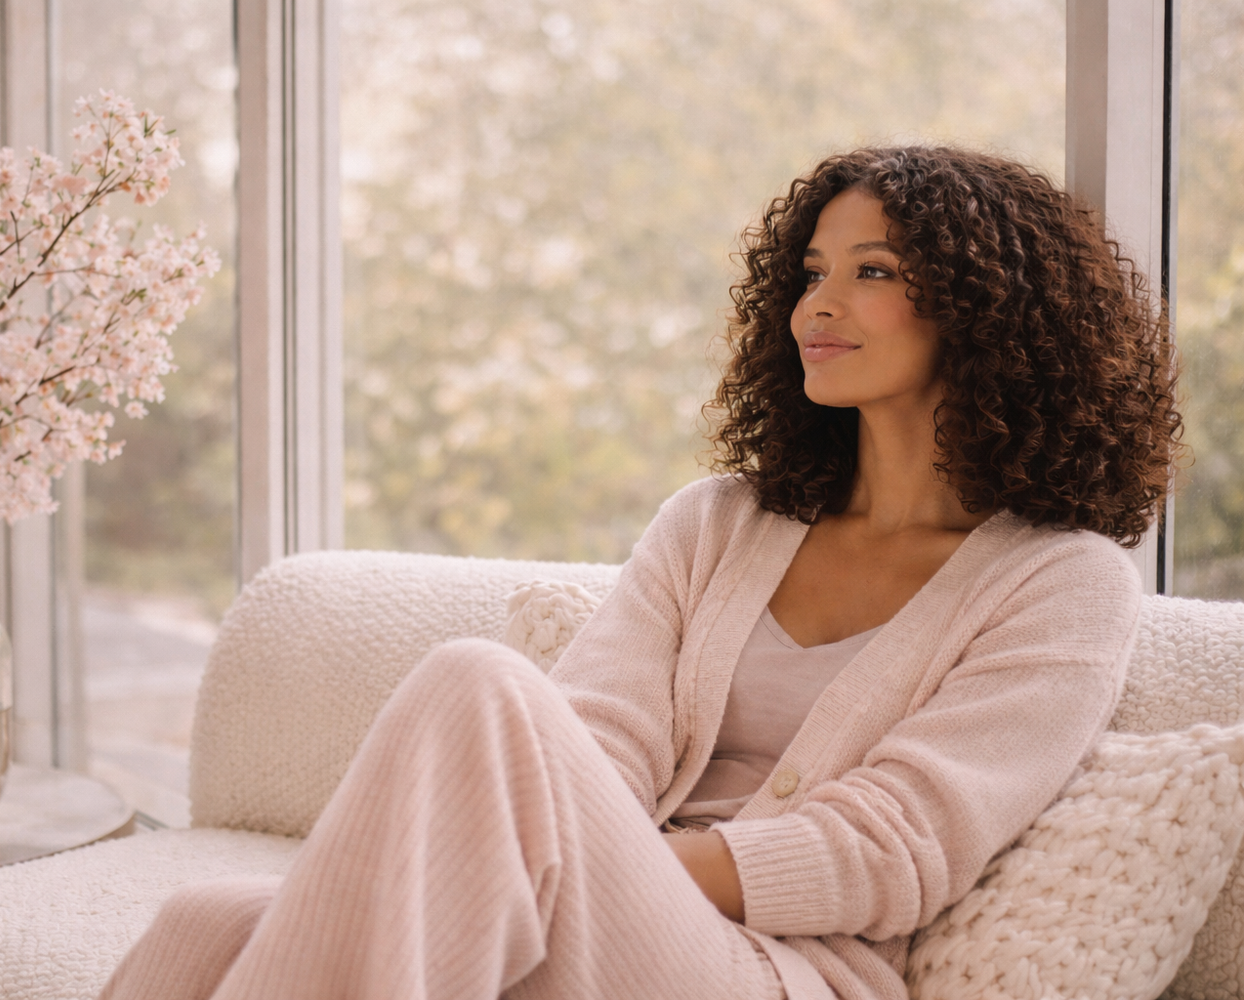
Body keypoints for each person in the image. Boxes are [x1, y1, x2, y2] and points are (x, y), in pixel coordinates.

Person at [100, 146, 1181, 1000]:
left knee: (480, 683)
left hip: (781, 969)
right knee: (205, 919)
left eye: (874, 273)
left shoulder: (1062, 583)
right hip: (611, 921)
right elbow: (596, 737)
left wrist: (569, 868)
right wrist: (556, 866)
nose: (818, 305)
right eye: (811, 273)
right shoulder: (719, 521)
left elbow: (893, 848)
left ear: (986, 311)